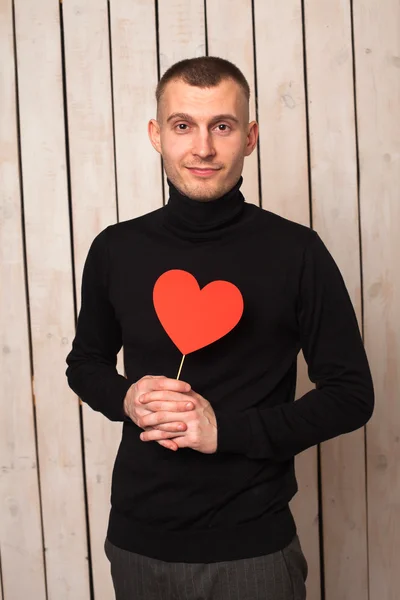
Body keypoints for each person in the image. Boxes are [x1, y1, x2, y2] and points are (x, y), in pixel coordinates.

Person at [66, 56, 374, 600]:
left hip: (252, 549)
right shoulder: (115, 249)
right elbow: (84, 364)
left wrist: (226, 433)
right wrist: (127, 398)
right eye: (183, 125)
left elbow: (352, 395)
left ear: (250, 137)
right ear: (156, 135)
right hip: (136, 543)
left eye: (222, 127)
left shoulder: (297, 252)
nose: (203, 148)